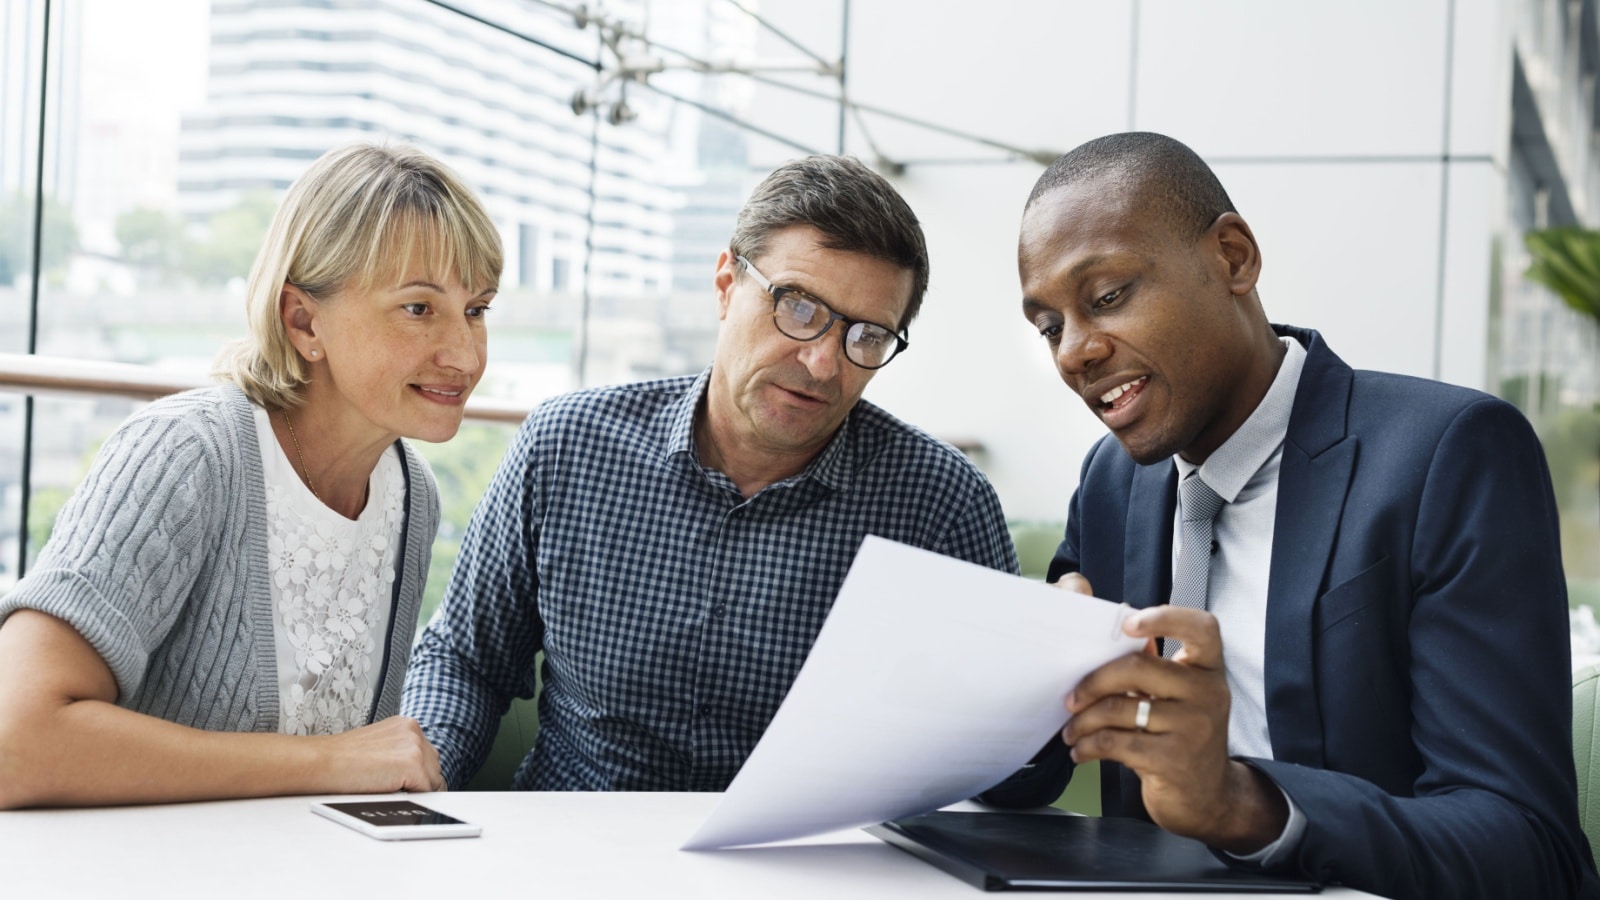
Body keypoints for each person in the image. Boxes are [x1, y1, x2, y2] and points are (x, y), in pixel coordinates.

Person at [997, 131, 1600, 899]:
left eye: (1107, 296)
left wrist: (1241, 804)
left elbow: (1526, 845)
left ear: (1234, 258)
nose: (1073, 353)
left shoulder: (1449, 455)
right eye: (1049, 327)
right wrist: (1007, 693)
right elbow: (1032, 774)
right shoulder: (1113, 482)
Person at [402, 154, 1017, 791]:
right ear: (727, 283)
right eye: (799, 308)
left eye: (865, 338)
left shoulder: (941, 504)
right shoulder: (567, 446)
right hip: (570, 853)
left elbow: (1003, 758)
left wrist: (1047, 694)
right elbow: (465, 661)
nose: (823, 363)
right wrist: (419, 783)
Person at [0, 142, 503, 808]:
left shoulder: (411, 498)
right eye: (418, 308)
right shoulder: (183, 457)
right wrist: (326, 762)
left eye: (476, 310)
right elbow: (16, 742)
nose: (464, 354)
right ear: (303, 321)